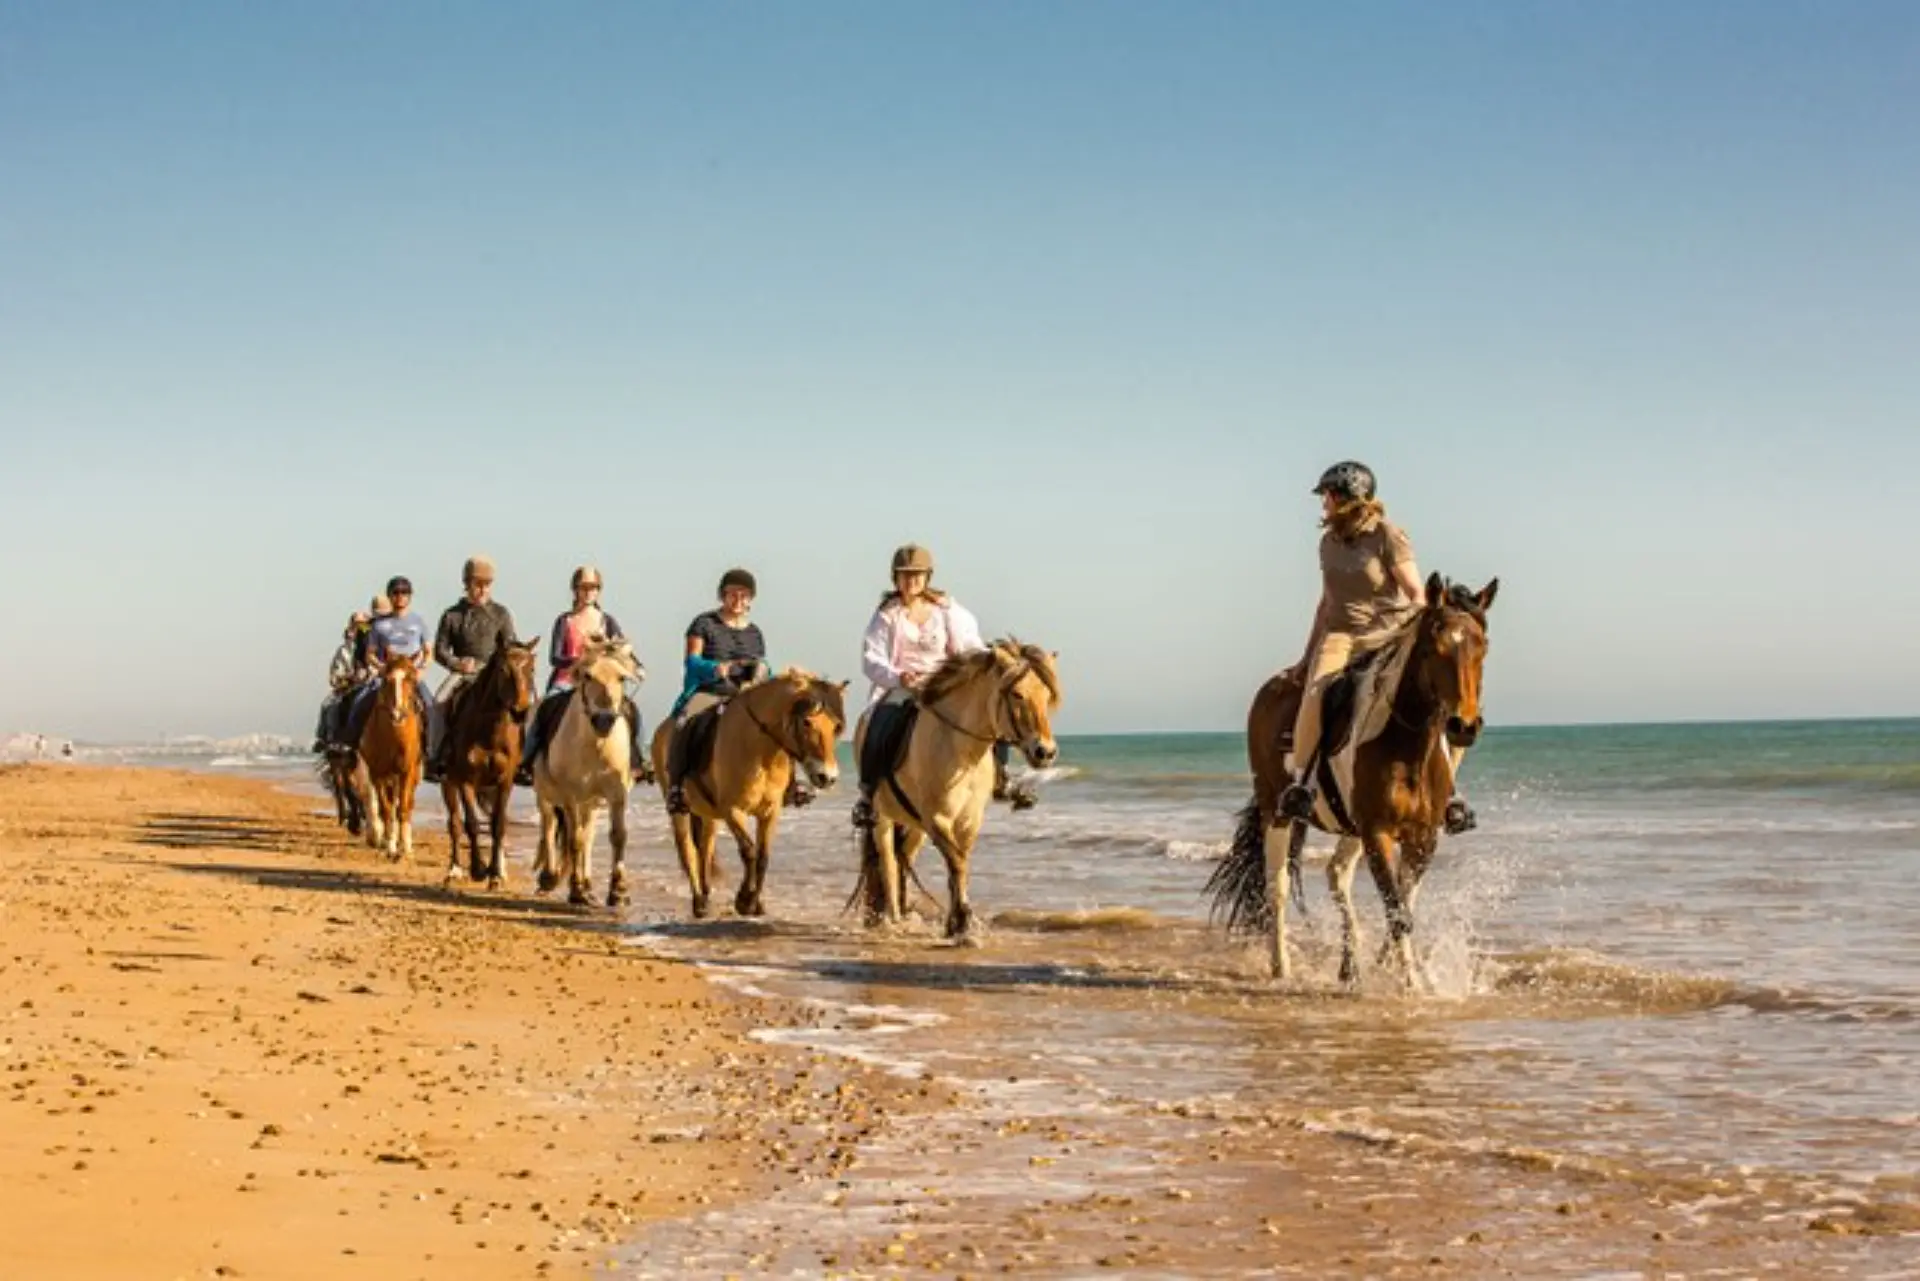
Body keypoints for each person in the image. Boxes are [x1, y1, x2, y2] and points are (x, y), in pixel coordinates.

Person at [1277, 461, 1475, 832]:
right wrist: (1307, 655)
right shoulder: (1327, 543)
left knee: (1430, 701)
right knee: (1315, 694)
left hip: (1388, 631)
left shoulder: (1387, 534)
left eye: (1326, 496)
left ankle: (1449, 794)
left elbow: (1415, 593)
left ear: (1345, 497)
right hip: (1341, 635)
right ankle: (1303, 785)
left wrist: (1413, 634)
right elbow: (1326, 603)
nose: (1323, 504)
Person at [849, 544, 1030, 829]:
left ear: (927, 577)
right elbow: (871, 659)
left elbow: (969, 646)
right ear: (895, 578)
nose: (911, 580)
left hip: (946, 685)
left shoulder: (947, 609)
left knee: (992, 711)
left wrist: (991, 658)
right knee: (880, 721)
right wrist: (898, 677)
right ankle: (868, 794)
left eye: (917, 575)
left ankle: (1002, 777)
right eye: (905, 575)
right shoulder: (886, 615)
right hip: (903, 686)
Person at [517, 564, 647, 785]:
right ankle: (528, 761)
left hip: (600, 683)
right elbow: (555, 657)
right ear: (575, 590)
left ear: (598, 591)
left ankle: (639, 760)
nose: (588, 592)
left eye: (593, 588)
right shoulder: (564, 621)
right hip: (567, 681)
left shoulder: (607, 621)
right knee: (542, 710)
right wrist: (578, 663)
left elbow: (621, 649)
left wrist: (637, 665)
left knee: (632, 710)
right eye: (583, 587)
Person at [663, 568, 770, 816]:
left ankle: (790, 784)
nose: (738, 600)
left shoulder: (754, 632)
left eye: (744, 595)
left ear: (751, 599)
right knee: (685, 721)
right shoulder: (704, 624)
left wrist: (765, 671)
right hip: (710, 690)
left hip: (744, 695)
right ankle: (676, 786)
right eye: (732, 594)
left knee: (779, 723)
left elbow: (761, 663)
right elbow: (692, 661)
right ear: (722, 595)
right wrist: (714, 668)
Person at [425, 555, 519, 782]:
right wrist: (457, 663)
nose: (482, 589)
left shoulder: (501, 614)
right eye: (477, 584)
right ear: (467, 584)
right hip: (463, 671)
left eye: (487, 584)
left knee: (519, 702)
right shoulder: (452, 615)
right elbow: (440, 650)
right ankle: (436, 755)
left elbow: (510, 645)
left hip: (492, 672)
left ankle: (521, 759)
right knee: (438, 703)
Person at [341, 576, 432, 747]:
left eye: (404, 593)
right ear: (390, 596)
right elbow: (370, 654)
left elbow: (428, 652)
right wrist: (381, 668)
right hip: (386, 675)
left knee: (431, 706)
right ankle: (350, 744)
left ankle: (434, 750)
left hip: (410, 675)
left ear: (410, 596)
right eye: (396, 593)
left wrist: (422, 669)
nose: (400, 597)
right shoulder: (379, 625)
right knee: (360, 702)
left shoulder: (418, 622)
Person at [314, 608, 374, 751]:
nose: (360, 628)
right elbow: (335, 675)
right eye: (357, 624)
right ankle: (329, 739)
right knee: (329, 704)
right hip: (349, 687)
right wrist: (347, 678)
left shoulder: (374, 645)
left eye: (363, 624)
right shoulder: (344, 650)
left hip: (371, 684)